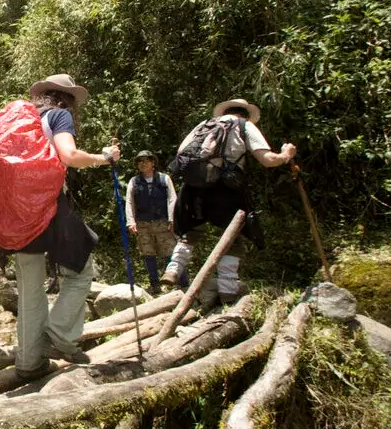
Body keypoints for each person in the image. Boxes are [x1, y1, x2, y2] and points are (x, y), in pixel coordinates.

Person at [3, 74, 120, 380]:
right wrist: (103, 158)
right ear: (66, 98)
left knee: (29, 288)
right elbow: (68, 156)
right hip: (50, 207)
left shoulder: (19, 122)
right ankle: (58, 335)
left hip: (15, 214)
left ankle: (29, 363)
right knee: (81, 273)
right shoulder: (59, 115)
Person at [161, 98, 295, 302]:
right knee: (233, 239)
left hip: (194, 188)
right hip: (226, 189)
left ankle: (172, 271)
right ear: (246, 114)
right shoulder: (245, 125)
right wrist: (286, 155)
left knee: (190, 233)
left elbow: (181, 153)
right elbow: (267, 160)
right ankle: (227, 291)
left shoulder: (204, 124)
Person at [124, 150, 179, 295]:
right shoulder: (134, 181)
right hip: (143, 224)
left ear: (153, 163)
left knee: (171, 253)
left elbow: (172, 199)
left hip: (163, 222)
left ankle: (181, 283)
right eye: (140, 161)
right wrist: (131, 221)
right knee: (148, 254)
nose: (143, 164)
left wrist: (172, 219)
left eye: (146, 161)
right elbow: (129, 202)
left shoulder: (164, 179)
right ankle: (155, 285)